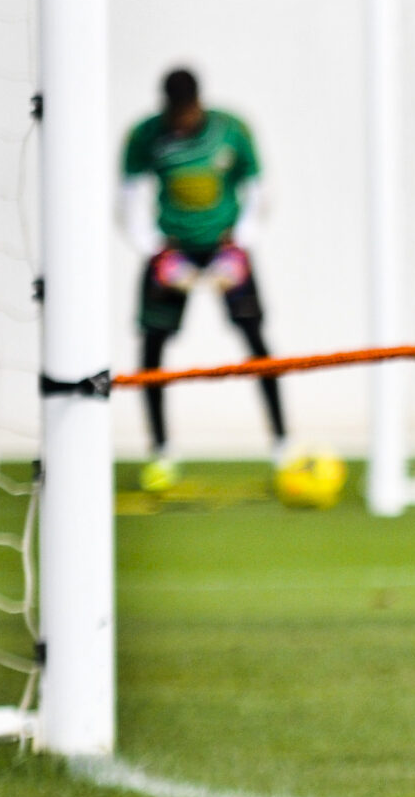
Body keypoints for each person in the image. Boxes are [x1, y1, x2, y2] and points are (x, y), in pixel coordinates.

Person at [120, 67, 292, 492]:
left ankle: (283, 447)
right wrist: (155, 250)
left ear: (199, 103)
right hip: (171, 249)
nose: (181, 121)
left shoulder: (231, 130)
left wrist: (240, 244)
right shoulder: (145, 136)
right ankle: (160, 452)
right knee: (152, 346)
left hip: (225, 246)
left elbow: (258, 190)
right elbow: (129, 197)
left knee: (256, 339)